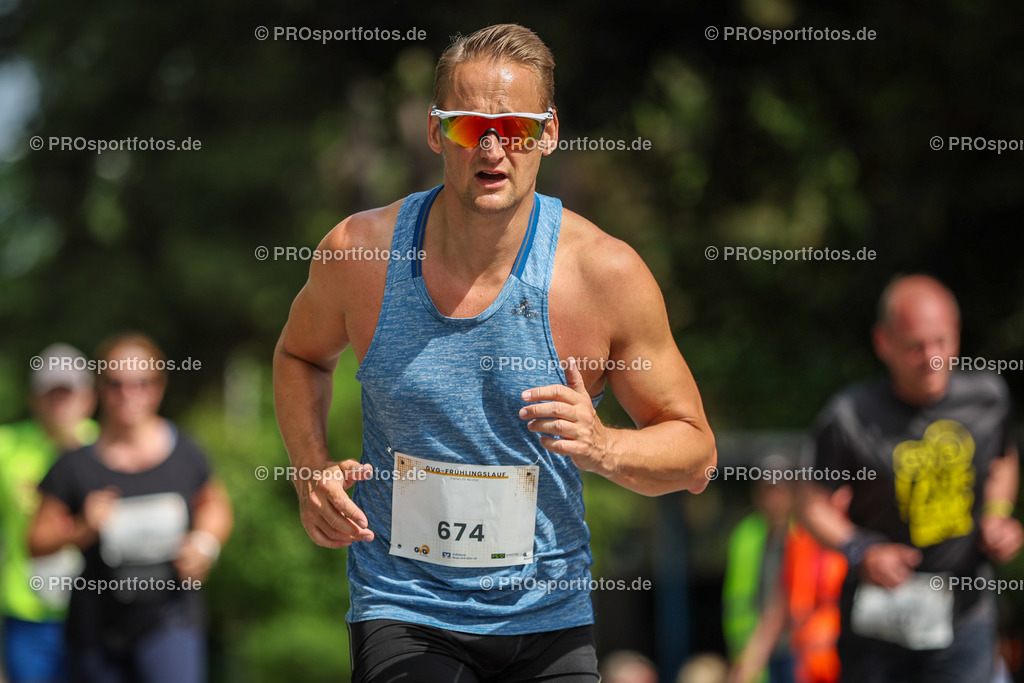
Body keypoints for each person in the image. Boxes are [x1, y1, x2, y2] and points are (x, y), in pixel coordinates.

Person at [273, 23, 716, 683]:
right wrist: (310, 469)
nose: (492, 148)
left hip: (547, 619)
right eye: (467, 127)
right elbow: (300, 355)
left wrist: (605, 447)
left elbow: (696, 455)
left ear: (550, 134)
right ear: (434, 131)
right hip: (406, 606)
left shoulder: (603, 276)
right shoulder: (360, 255)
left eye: (516, 128)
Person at [798, 274, 1022, 683]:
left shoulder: (988, 397)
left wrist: (998, 514)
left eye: (943, 343)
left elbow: (1004, 460)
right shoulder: (849, 416)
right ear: (883, 342)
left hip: (965, 616)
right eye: (916, 347)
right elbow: (812, 503)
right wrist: (860, 549)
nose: (932, 359)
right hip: (879, 624)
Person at [28, 332, 233, 683]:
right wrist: (82, 528)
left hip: (171, 620)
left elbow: (215, 505)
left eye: (142, 382)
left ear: (159, 386)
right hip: (96, 632)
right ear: (99, 389)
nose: (129, 394)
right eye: (116, 384)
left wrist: (205, 545)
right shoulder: (74, 465)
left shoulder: (185, 452)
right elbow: (35, 542)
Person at [0, 344, 97, 683]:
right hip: (28, 612)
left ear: (88, 398)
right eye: (51, 394)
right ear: (34, 399)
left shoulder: (109, 449)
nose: (60, 404)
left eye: (67, 393)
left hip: (97, 610)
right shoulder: (7, 446)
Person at [728, 488, 849, 683]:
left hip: (849, 662)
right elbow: (778, 605)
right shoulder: (798, 541)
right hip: (807, 665)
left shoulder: (866, 543)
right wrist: (751, 662)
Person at [722, 455, 797, 683]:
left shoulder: (807, 534)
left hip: (797, 650)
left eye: (778, 488)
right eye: (766, 488)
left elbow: (783, 598)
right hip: (754, 653)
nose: (772, 496)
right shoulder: (744, 534)